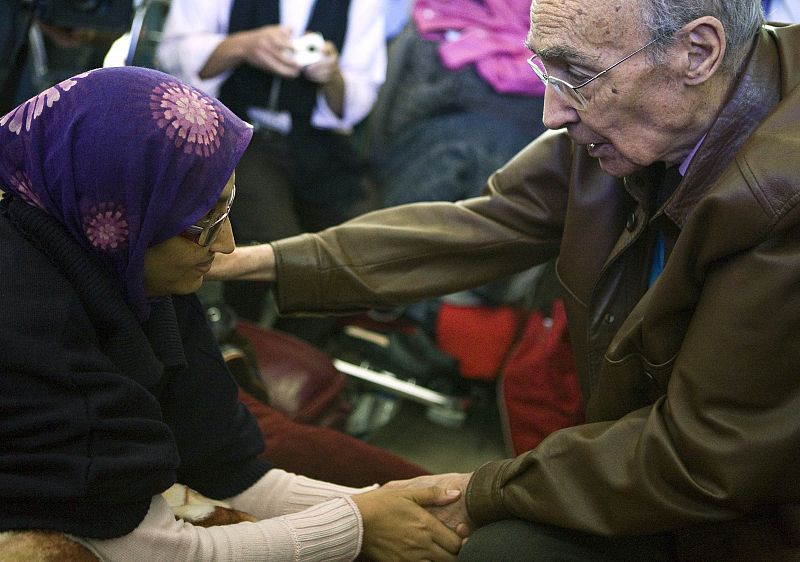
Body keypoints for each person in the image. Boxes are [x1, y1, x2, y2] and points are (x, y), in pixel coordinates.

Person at [208, 0, 800, 559]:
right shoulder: (632, 122)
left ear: (697, 52)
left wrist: (484, 492)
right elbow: (476, 226)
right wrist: (255, 263)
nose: (550, 111)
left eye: (575, 72)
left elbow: (702, 456)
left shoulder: (782, 194)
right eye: (545, 65)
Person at [0, 66, 464, 562]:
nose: (226, 246)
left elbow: (227, 466)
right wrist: (358, 525)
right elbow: (150, 551)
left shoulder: (134, 269)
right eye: (203, 221)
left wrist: (396, 506)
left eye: (226, 210)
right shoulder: (31, 325)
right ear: (117, 213)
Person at [156, 0, 387, 327]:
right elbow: (172, 57)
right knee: (276, 244)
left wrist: (332, 75)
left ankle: (296, 346)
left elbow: (355, 101)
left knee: (360, 245)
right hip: (236, 131)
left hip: (317, 143)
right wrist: (243, 46)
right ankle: (235, 334)